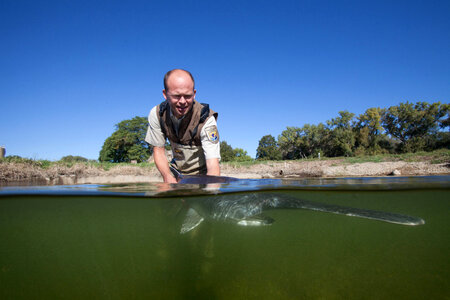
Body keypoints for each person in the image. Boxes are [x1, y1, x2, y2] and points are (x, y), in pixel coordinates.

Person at [145, 69, 221, 183]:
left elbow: (213, 165)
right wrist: (168, 178)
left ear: (194, 94)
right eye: (176, 96)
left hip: (204, 176)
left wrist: (210, 192)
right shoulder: (157, 114)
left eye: (187, 96)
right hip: (177, 173)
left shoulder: (206, 118)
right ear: (165, 94)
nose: (182, 101)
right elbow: (159, 151)